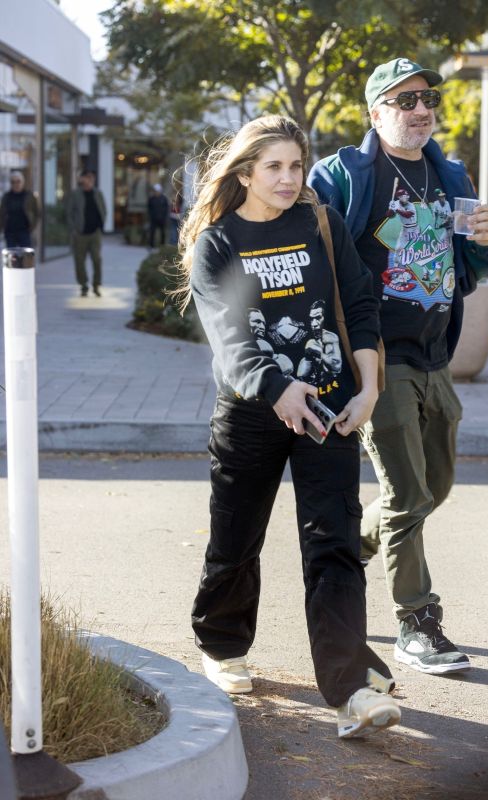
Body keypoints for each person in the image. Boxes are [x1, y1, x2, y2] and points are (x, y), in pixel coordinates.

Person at [176, 114, 401, 738]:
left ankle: (349, 688)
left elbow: (358, 300)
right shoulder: (217, 242)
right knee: (236, 539)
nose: (287, 178)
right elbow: (228, 337)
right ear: (244, 172)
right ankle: (222, 646)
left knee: (333, 544)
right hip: (252, 414)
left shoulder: (318, 223)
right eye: (273, 166)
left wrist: (369, 387)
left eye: (296, 166)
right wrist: (278, 388)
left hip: (327, 408)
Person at [308, 57, 488, 676]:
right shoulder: (346, 175)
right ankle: (417, 622)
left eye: (427, 98)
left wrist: (486, 239)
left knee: (434, 485)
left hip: (433, 352)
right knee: (408, 491)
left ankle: (349, 552)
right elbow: (316, 254)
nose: (421, 109)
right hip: (379, 358)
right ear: (375, 112)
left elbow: (480, 264)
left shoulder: (449, 174)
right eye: (404, 100)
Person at [67, 170, 106, 297]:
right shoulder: (76, 194)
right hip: (80, 234)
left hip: (95, 233)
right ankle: (83, 285)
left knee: (97, 259)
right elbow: (69, 212)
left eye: (91, 179)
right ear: (82, 180)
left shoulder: (97, 193)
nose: (89, 181)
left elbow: (103, 209)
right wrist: (74, 229)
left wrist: (101, 226)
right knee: (79, 261)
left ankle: (96, 285)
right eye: (87, 178)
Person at [0, 171, 41, 248]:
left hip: (24, 231)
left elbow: (37, 213)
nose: (16, 184)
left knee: (26, 256)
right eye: (13, 182)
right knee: (12, 257)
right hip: (10, 231)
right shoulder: (6, 197)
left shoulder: (29, 196)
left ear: (23, 182)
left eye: (18, 181)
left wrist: (32, 226)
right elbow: (1, 213)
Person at [148, 183, 169, 248]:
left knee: (162, 232)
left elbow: (166, 208)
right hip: (154, 218)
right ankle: (151, 245)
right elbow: (149, 208)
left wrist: (164, 216)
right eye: (155, 191)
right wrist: (151, 215)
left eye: (157, 191)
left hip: (162, 218)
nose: (156, 192)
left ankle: (162, 245)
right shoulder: (152, 199)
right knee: (152, 232)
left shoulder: (164, 199)